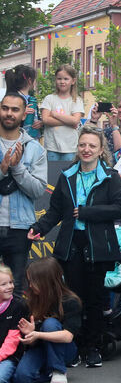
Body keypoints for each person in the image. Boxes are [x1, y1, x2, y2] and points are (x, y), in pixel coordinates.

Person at [27, 125, 121, 368]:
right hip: (71, 244)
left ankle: (92, 348)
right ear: (77, 147)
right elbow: (55, 211)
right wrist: (39, 228)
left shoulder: (110, 176)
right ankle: (73, 347)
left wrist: (87, 212)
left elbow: (120, 208)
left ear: (101, 149)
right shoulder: (67, 175)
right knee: (73, 299)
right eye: (83, 145)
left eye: (92, 145)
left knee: (95, 299)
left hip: (98, 246)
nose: (86, 149)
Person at [0, 94, 47, 295]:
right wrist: (2, 170)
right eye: (5, 108)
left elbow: (38, 190)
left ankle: (12, 328)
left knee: (16, 288)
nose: (9, 113)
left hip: (20, 227)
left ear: (23, 115)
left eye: (15, 109)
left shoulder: (35, 149)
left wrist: (17, 169)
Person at [11, 258, 81, 383]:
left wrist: (38, 334)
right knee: (21, 378)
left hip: (65, 349)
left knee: (50, 324)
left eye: (33, 281)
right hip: (41, 347)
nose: (30, 285)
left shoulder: (70, 301)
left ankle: (58, 370)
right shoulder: (31, 301)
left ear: (45, 282)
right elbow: (32, 339)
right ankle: (48, 371)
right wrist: (30, 334)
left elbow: (67, 336)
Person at [40, 65, 84, 162]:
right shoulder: (49, 99)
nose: (62, 82)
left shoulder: (77, 100)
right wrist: (69, 121)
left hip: (70, 148)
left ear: (73, 81)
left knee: (68, 175)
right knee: (52, 176)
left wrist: (56, 115)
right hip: (52, 147)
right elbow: (46, 119)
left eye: (66, 79)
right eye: (59, 79)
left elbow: (75, 120)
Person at [0, 264, 27, 383]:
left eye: (11, 282)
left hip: (9, 357)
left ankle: (13, 371)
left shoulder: (17, 307)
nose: (10, 287)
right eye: (4, 284)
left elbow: (12, 340)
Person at [4, 65, 42, 139]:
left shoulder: (32, 99)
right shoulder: (12, 98)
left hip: (32, 139)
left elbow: (37, 117)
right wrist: (20, 112)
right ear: (30, 80)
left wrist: (40, 123)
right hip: (16, 140)